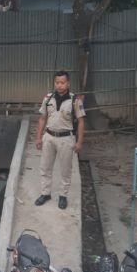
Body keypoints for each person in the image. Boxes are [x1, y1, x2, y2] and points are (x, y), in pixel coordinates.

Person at [35, 70, 85, 210]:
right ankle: (45, 193)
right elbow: (42, 118)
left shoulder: (75, 100)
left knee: (65, 170)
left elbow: (81, 122)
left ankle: (63, 196)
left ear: (68, 83)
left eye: (62, 82)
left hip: (66, 139)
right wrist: (38, 137)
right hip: (49, 137)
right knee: (45, 167)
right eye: (57, 82)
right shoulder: (48, 99)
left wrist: (79, 142)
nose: (59, 85)